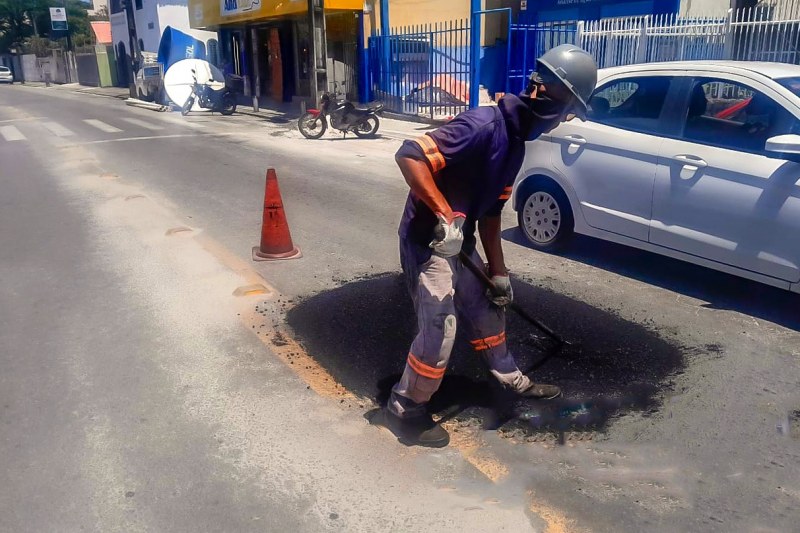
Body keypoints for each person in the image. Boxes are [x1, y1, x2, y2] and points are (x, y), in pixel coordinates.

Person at [383, 44, 598, 448]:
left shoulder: (515, 144)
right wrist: (445, 214)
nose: (564, 120)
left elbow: (492, 213)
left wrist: (499, 273)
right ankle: (405, 407)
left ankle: (508, 378)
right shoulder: (482, 125)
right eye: (568, 109)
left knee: (487, 307)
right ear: (547, 94)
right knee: (440, 327)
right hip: (430, 241)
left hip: (459, 242)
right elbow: (410, 155)